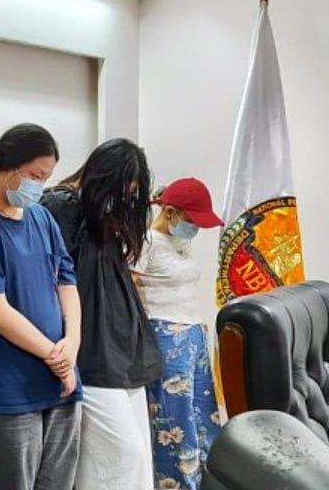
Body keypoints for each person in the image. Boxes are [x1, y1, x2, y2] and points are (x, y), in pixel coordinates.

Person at [0, 123, 82, 490]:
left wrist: (72, 344)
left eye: (46, 178)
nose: (40, 186)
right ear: (7, 167)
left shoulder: (41, 218)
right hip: (8, 389)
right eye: (35, 176)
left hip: (61, 381)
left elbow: (67, 282)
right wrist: (55, 356)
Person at [41, 138, 162, 490]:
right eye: (122, 188)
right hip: (91, 353)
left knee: (138, 457)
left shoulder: (100, 214)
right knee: (123, 454)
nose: (125, 197)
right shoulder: (60, 206)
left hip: (121, 352)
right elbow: (53, 280)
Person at [131, 178, 224, 490]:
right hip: (165, 336)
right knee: (175, 422)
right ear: (170, 212)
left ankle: (208, 482)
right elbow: (129, 290)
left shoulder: (180, 242)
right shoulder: (145, 242)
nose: (194, 229)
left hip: (193, 334)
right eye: (192, 221)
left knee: (204, 416)